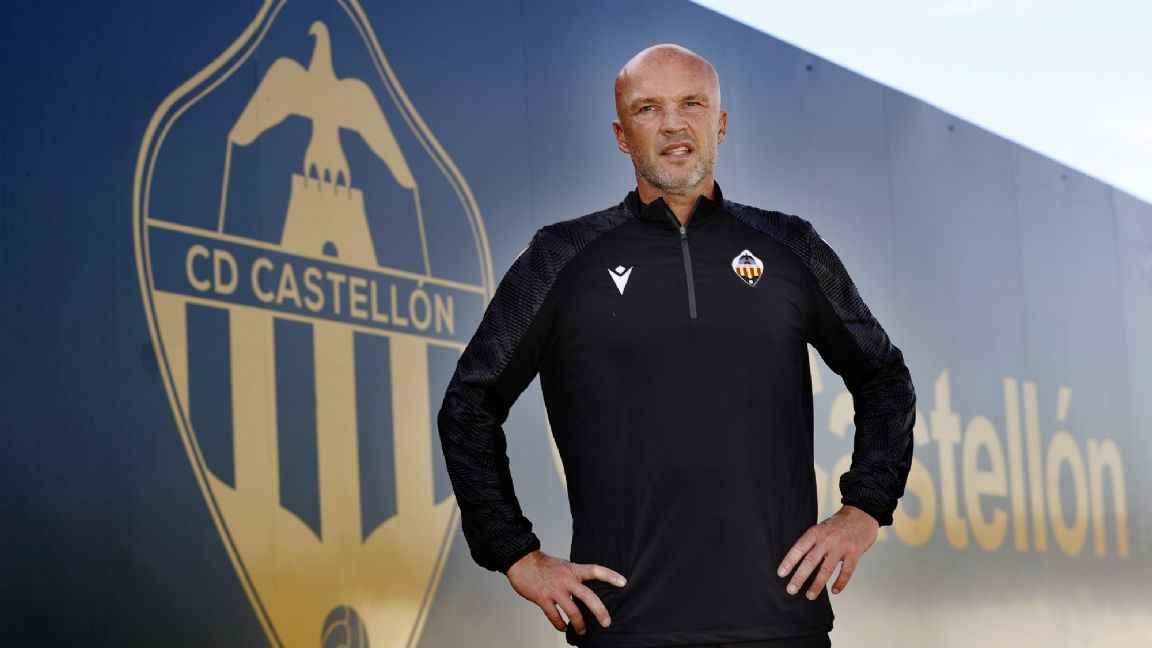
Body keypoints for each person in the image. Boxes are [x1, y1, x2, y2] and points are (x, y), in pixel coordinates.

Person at [438, 43, 915, 648]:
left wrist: (863, 510)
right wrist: (514, 553)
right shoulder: (560, 258)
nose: (673, 124)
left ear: (721, 124)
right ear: (621, 135)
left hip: (781, 624)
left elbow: (883, 377)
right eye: (648, 109)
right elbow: (469, 404)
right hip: (625, 625)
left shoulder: (791, 246)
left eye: (692, 104)